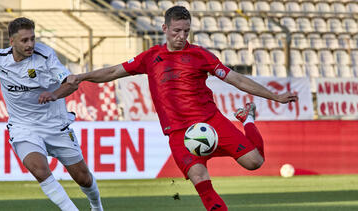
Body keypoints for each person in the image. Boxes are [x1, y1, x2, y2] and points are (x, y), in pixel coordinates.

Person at [71, 6, 298, 211]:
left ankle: (247, 119)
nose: (181, 36)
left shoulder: (200, 55)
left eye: (186, 31)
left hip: (210, 121)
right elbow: (112, 72)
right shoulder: (150, 57)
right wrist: (82, 77)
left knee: (254, 162)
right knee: (201, 180)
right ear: (165, 28)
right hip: (179, 133)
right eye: (176, 31)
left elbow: (235, 79)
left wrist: (274, 97)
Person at [0, 17, 103, 211]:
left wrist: (54, 94)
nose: (30, 44)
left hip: (55, 125)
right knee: (39, 169)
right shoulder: (0, 59)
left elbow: (70, 83)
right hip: (23, 127)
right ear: (11, 42)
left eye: (32, 38)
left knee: (84, 178)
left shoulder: (45, 56)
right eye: (24, 40)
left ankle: (96, 207)